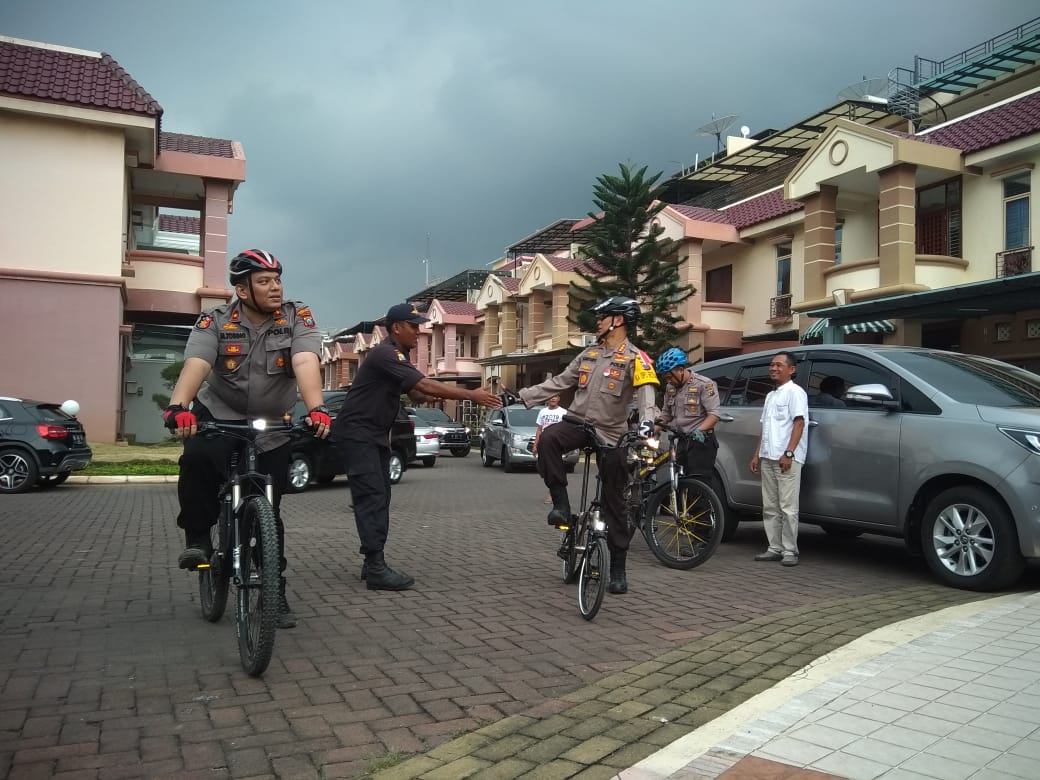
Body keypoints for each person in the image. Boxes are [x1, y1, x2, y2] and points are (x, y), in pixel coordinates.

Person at [163, 249, 330, 629]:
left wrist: (317, 407)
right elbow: (198, 363)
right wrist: (178, 406)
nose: (275, 288)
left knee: (269, 512)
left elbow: (305, 359)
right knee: (197, 459)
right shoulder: (215, 321)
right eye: (264, 281)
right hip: (220, 415)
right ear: (242, 289)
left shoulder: (296, 316)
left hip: (272, 424)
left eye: (278, 279)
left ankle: (275, 589)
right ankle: (199, 538)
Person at [331, 303, 502, 591]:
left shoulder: (397, 355)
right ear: (396, 327)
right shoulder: (387, 352)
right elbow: (425, 384)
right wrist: (469, 395)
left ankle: (371, 560)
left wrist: (425, 395)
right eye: (413, 326)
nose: (418, 330)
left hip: (371, 436)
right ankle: (375, 567)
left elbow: (417, 391)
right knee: (372, 497)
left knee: (379, 495)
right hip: (359, 435)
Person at [510, 296, 659, 595]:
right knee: (550, 438)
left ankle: (617, 566)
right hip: (578, 425)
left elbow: (646, 395)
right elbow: (559, 383)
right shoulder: (588, 355)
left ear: (618, 320)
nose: (598, 322)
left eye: (603, 317)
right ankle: (561, 505)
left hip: (611, 433)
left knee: (615, 501)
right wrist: (522, 396)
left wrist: (646, 424)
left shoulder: (636, 358)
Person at [749, 351, 808, 567]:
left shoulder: (795, 393)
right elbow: (765, 428)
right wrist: (757, 454)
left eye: (779, 365)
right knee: (770, 506)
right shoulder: (770, 396)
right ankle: (774, 548)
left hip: (787, 458)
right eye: (772, 365)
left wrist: (789, 453)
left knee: (788, 507)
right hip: (768, 457)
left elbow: (799, 424)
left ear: (791, 369)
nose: (773, 368)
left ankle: (790, 550)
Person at [653, 347, 721, 478]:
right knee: (680, 482)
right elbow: (666, 414)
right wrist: (652, 430)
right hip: (683, 441)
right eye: (665, 378)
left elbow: (714, 414)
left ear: (680, 370)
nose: (668, 381)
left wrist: (699, 431)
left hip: (701, 442)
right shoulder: (670, 387)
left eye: (669, 377)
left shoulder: (704, 384)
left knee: (698, 483)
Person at [533, 394, 567, 504]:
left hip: (557, 444)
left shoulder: (563, 412)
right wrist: (535, 445)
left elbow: (567, 430)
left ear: (559, 399)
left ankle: (552, 493)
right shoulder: (542, 412)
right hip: (544, 444)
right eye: (551, 397)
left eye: (555, 396)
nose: (553, 399)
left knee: (554, 468)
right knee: (543, 468)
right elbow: (539, 430)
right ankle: (553, 489)